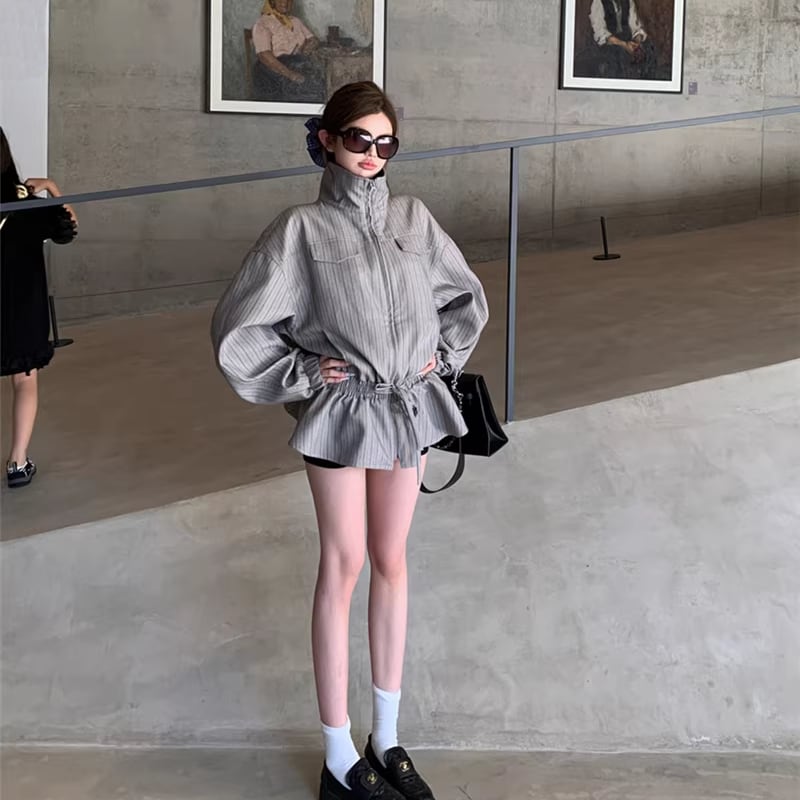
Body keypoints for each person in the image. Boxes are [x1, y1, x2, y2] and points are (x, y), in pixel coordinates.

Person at [211, 81, 488, 800]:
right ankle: (338, 753)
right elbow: (239, 327)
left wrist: (441, 360)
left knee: (391, 561)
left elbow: (463, 297)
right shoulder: (299, 230)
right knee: (344, 564)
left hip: (406, 411)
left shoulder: (413, 218)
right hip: (340, 413)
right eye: (359, 138)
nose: (373, 153)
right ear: (328, 140)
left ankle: (385, 738)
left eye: (385, 142)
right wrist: (305, 372)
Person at [1, 127, 77, 489]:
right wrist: (51, 187)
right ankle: (17, 463)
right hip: (22, 309)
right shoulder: (26, 204)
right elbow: (68, 228)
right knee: (24, 381)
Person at [252, 0, 326, 103]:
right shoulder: (263, 23)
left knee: (319, 84)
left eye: (289, 0)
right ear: (272, 2)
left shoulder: (295, 21)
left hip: (296, 63)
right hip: (273, 68)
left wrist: (306, 49)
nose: (285, 3)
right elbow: (264, 55)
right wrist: (290, 74)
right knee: (303, 90)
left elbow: (313, 40)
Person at [587, 0, 658, 80]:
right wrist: (624, 45)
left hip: (627, 41)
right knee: (619, 55)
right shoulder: (598, 2)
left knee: (649, 49)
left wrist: (637, 43)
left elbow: (635, 27)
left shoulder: (629, 1)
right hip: (608, 43)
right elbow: (601, 33)